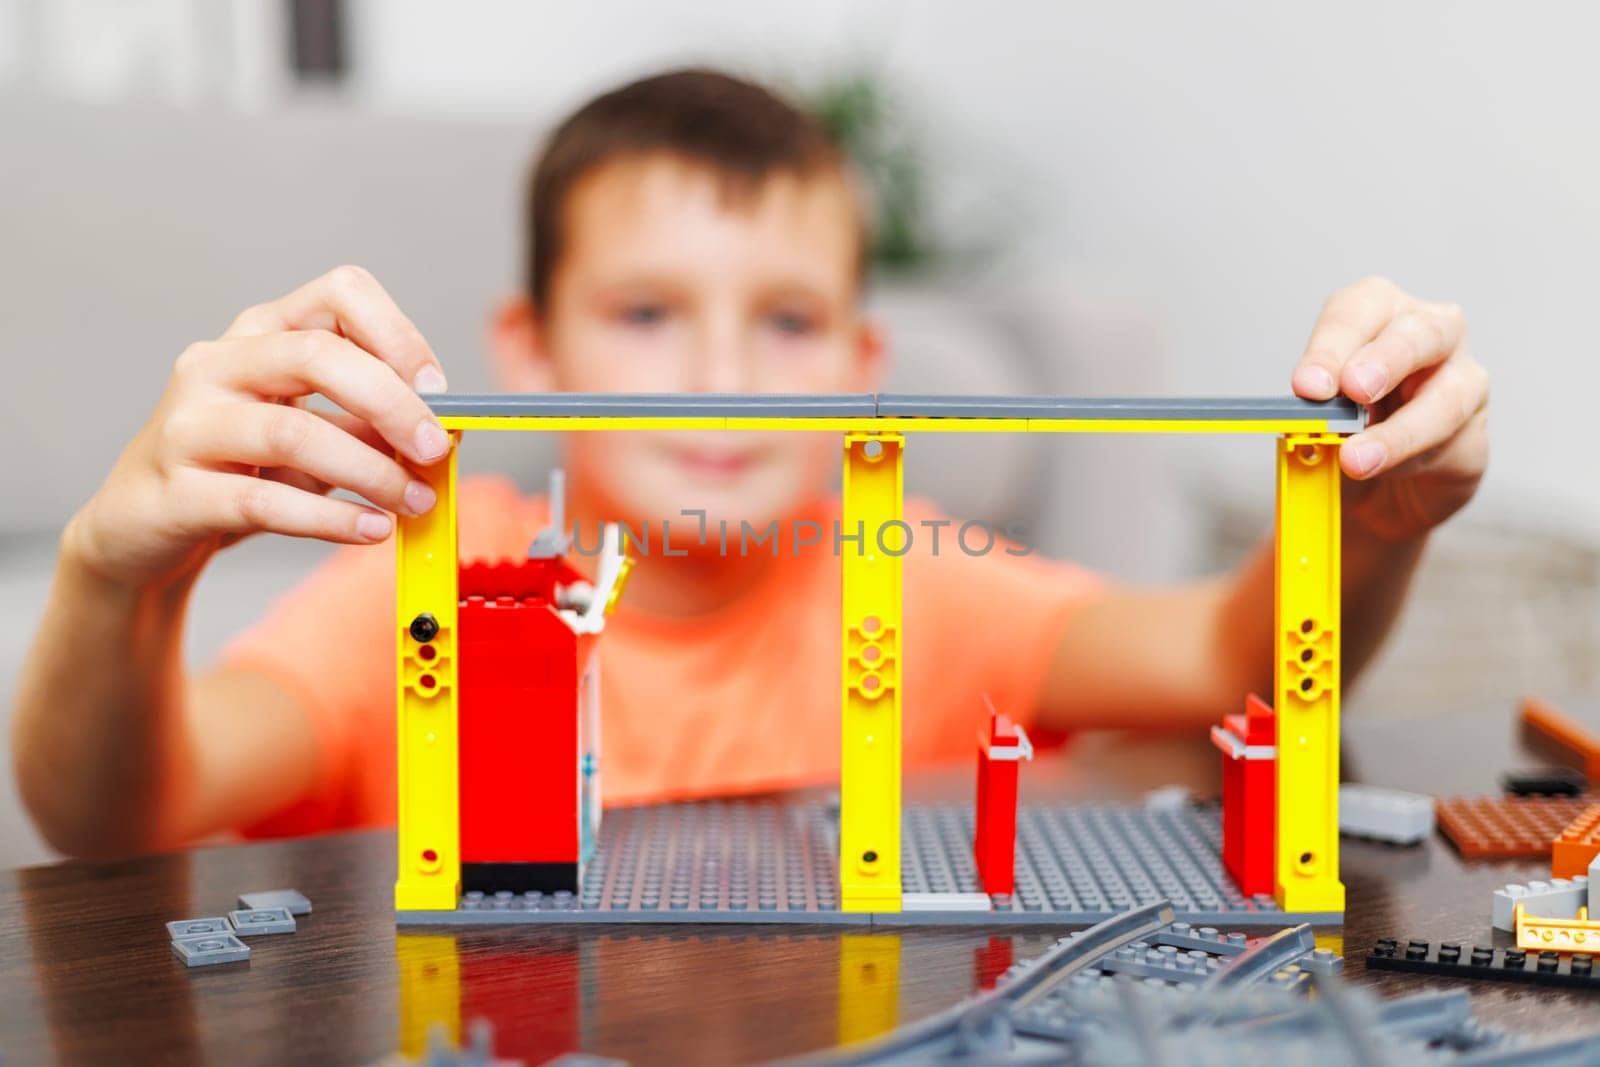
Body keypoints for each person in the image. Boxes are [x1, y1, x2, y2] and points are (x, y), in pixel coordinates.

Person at [13, 69, 1489, 858]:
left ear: (859, 374)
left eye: (785, 321)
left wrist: (1379, 526)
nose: (720, 370)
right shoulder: (417, 605)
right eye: (648, 313)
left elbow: (1233, 662)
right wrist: (109, 568)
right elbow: (111, 815)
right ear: (530, 351)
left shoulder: (912, 578)